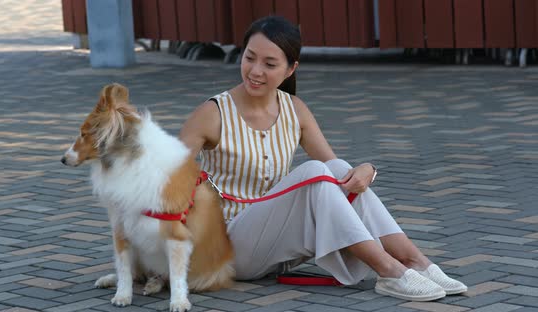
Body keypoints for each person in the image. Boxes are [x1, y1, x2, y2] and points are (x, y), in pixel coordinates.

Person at [179, 15, 467, 301]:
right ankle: (389, 269)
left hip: (278, 249)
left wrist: (366, 170)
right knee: (315, 171)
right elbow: (164, 177)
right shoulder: (212, 113)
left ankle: (414, 260)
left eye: (269, 64)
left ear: (291, 69)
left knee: (338, 168)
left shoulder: (295, 109)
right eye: (249, 58)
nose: (255, 71)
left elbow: (335, 171)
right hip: (227, 249)